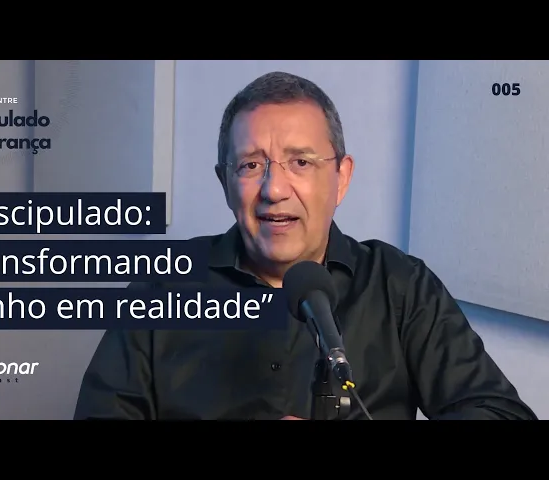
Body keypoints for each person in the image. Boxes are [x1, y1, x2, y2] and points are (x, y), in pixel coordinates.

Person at [74, 71, 537, 420]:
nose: (275, 189)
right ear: (225, 182)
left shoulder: (401, 286)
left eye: (301, 162)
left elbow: (500, 412)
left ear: (341, 178)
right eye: (250, 165)